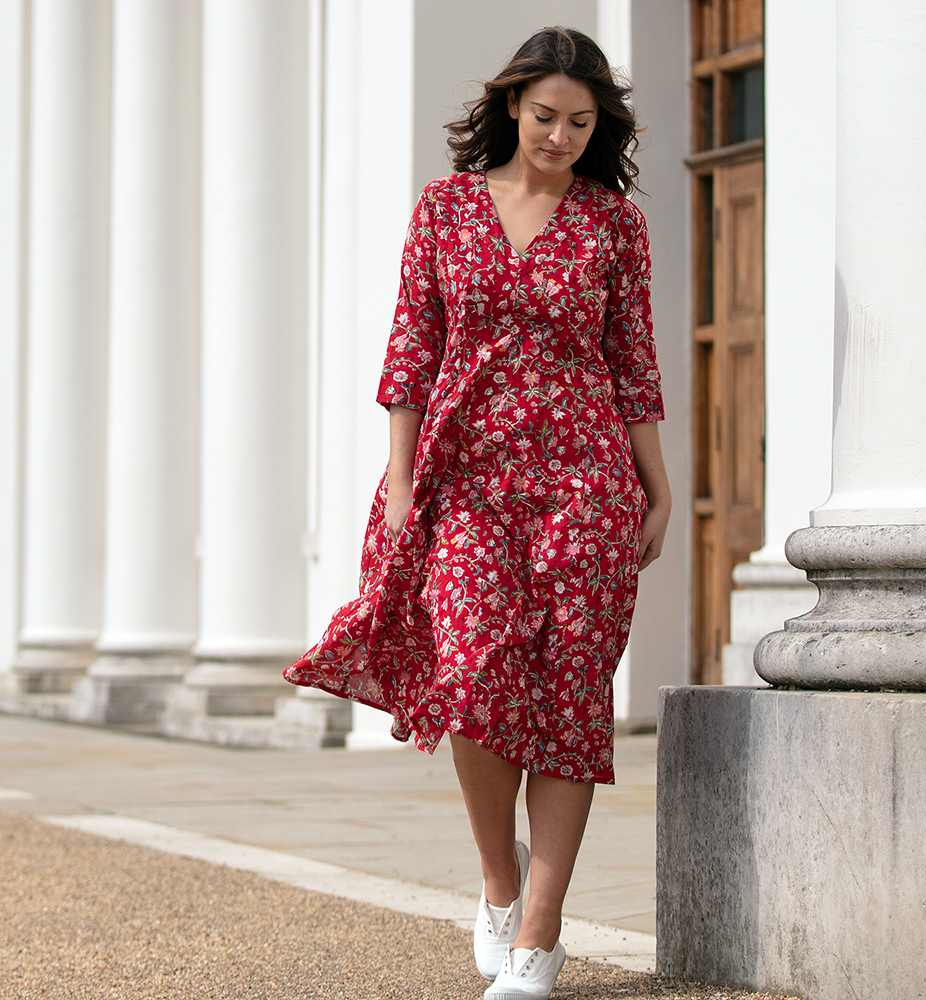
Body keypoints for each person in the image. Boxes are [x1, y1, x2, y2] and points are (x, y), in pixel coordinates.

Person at [284, 25, 671, 1000]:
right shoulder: (446, 209)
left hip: (585, 485)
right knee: (474, 678)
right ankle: (499, 882)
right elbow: (410, 352)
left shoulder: (613, 225)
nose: (561, 136)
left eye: (581, 122)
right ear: (511, 107)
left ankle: (540, 932)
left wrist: (657, 484)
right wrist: (405, 480)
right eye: (546, 116)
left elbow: (632, 366)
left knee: (572, 698)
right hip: (466, 481)